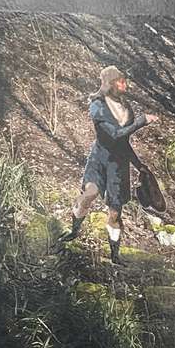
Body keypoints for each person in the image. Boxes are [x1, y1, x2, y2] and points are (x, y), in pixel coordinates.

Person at [63, 64, 153, 263]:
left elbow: (124, 142)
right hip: (100, 159)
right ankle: (74, 231)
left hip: (118, 166)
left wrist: (138, 165)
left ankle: (114, 255)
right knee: (89, 194)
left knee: (114, 213)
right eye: (121, 82)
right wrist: (141, 122)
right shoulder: (98, 105)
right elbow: (113, 135)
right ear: (111, 84)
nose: (125, 85)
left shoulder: (127, 109)